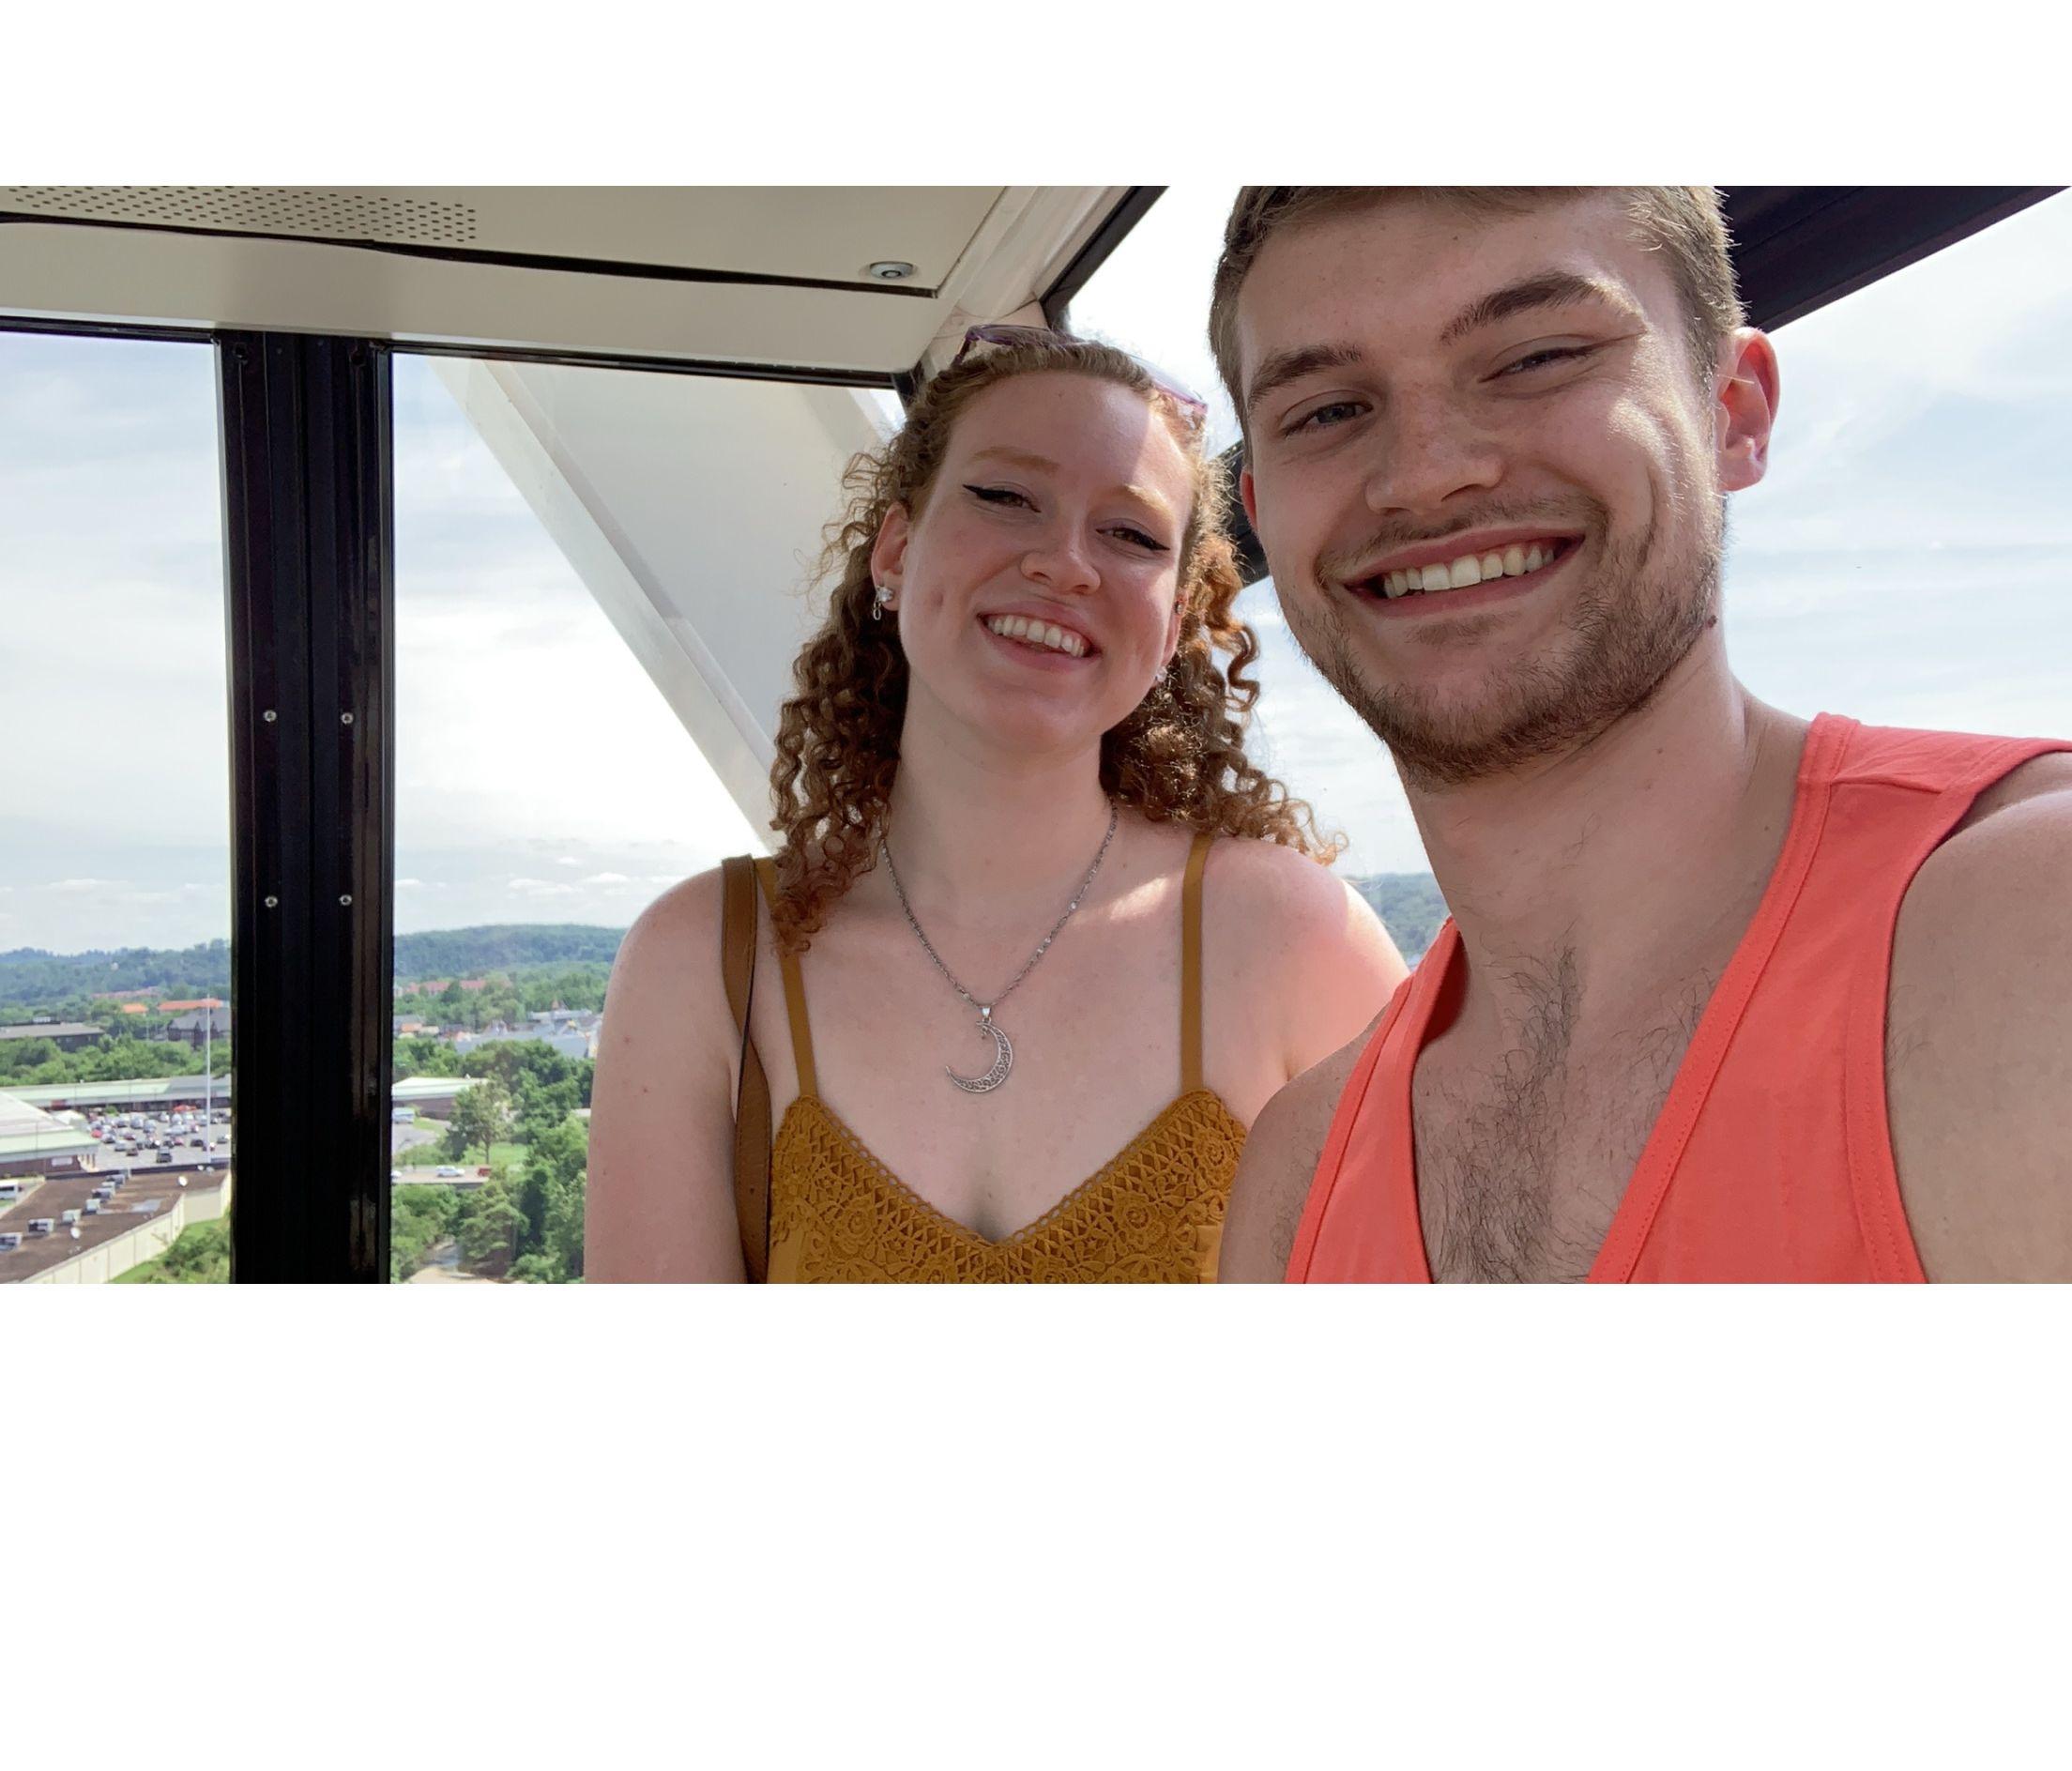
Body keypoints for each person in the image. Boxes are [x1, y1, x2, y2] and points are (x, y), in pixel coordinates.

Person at [1210, 188, 2072, 1283]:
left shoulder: (2031, 946)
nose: (1425, 471)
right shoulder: (1298, 1179)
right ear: (1262, 509)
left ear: (1735, 412)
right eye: (1327, 411)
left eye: (1538, 356)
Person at [587, 323, 1406, 1281]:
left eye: (1131, 534)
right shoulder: (705, 967)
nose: (1065, 563)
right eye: (1005, 497)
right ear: (895, 550)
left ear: (1174, 621)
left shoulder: (1294, 943)